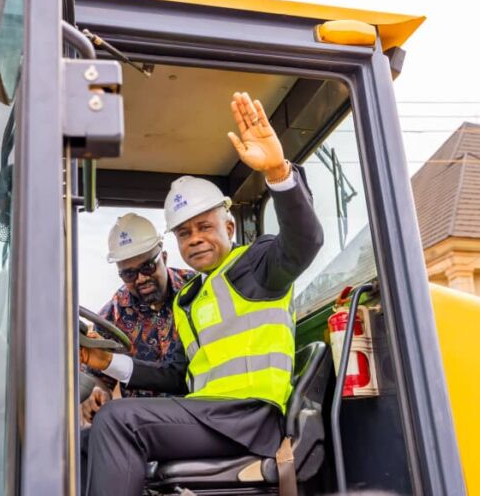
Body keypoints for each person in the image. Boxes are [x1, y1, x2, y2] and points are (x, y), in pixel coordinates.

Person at [80, 91, 324, 496]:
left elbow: (304, 242)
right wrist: (111, 364)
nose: (194, 239)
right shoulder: (190, 297)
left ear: (229, 228)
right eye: (184, 233)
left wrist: (279, 172)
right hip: (209, 414)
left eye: (205, 227)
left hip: (248, 418)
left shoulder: (255, 265)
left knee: (119, 421)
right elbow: (177, 374)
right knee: (84, 441)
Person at [79, 213, 194, 493]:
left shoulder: (195, 294)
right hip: (140, 428)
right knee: (83, 444)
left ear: (164, 256)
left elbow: (182, 372)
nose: (141, 278)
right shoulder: (112, 314)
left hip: (192, 416)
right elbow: (96, 377)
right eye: (129, 273)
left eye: (147, 266)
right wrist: (96, 395)